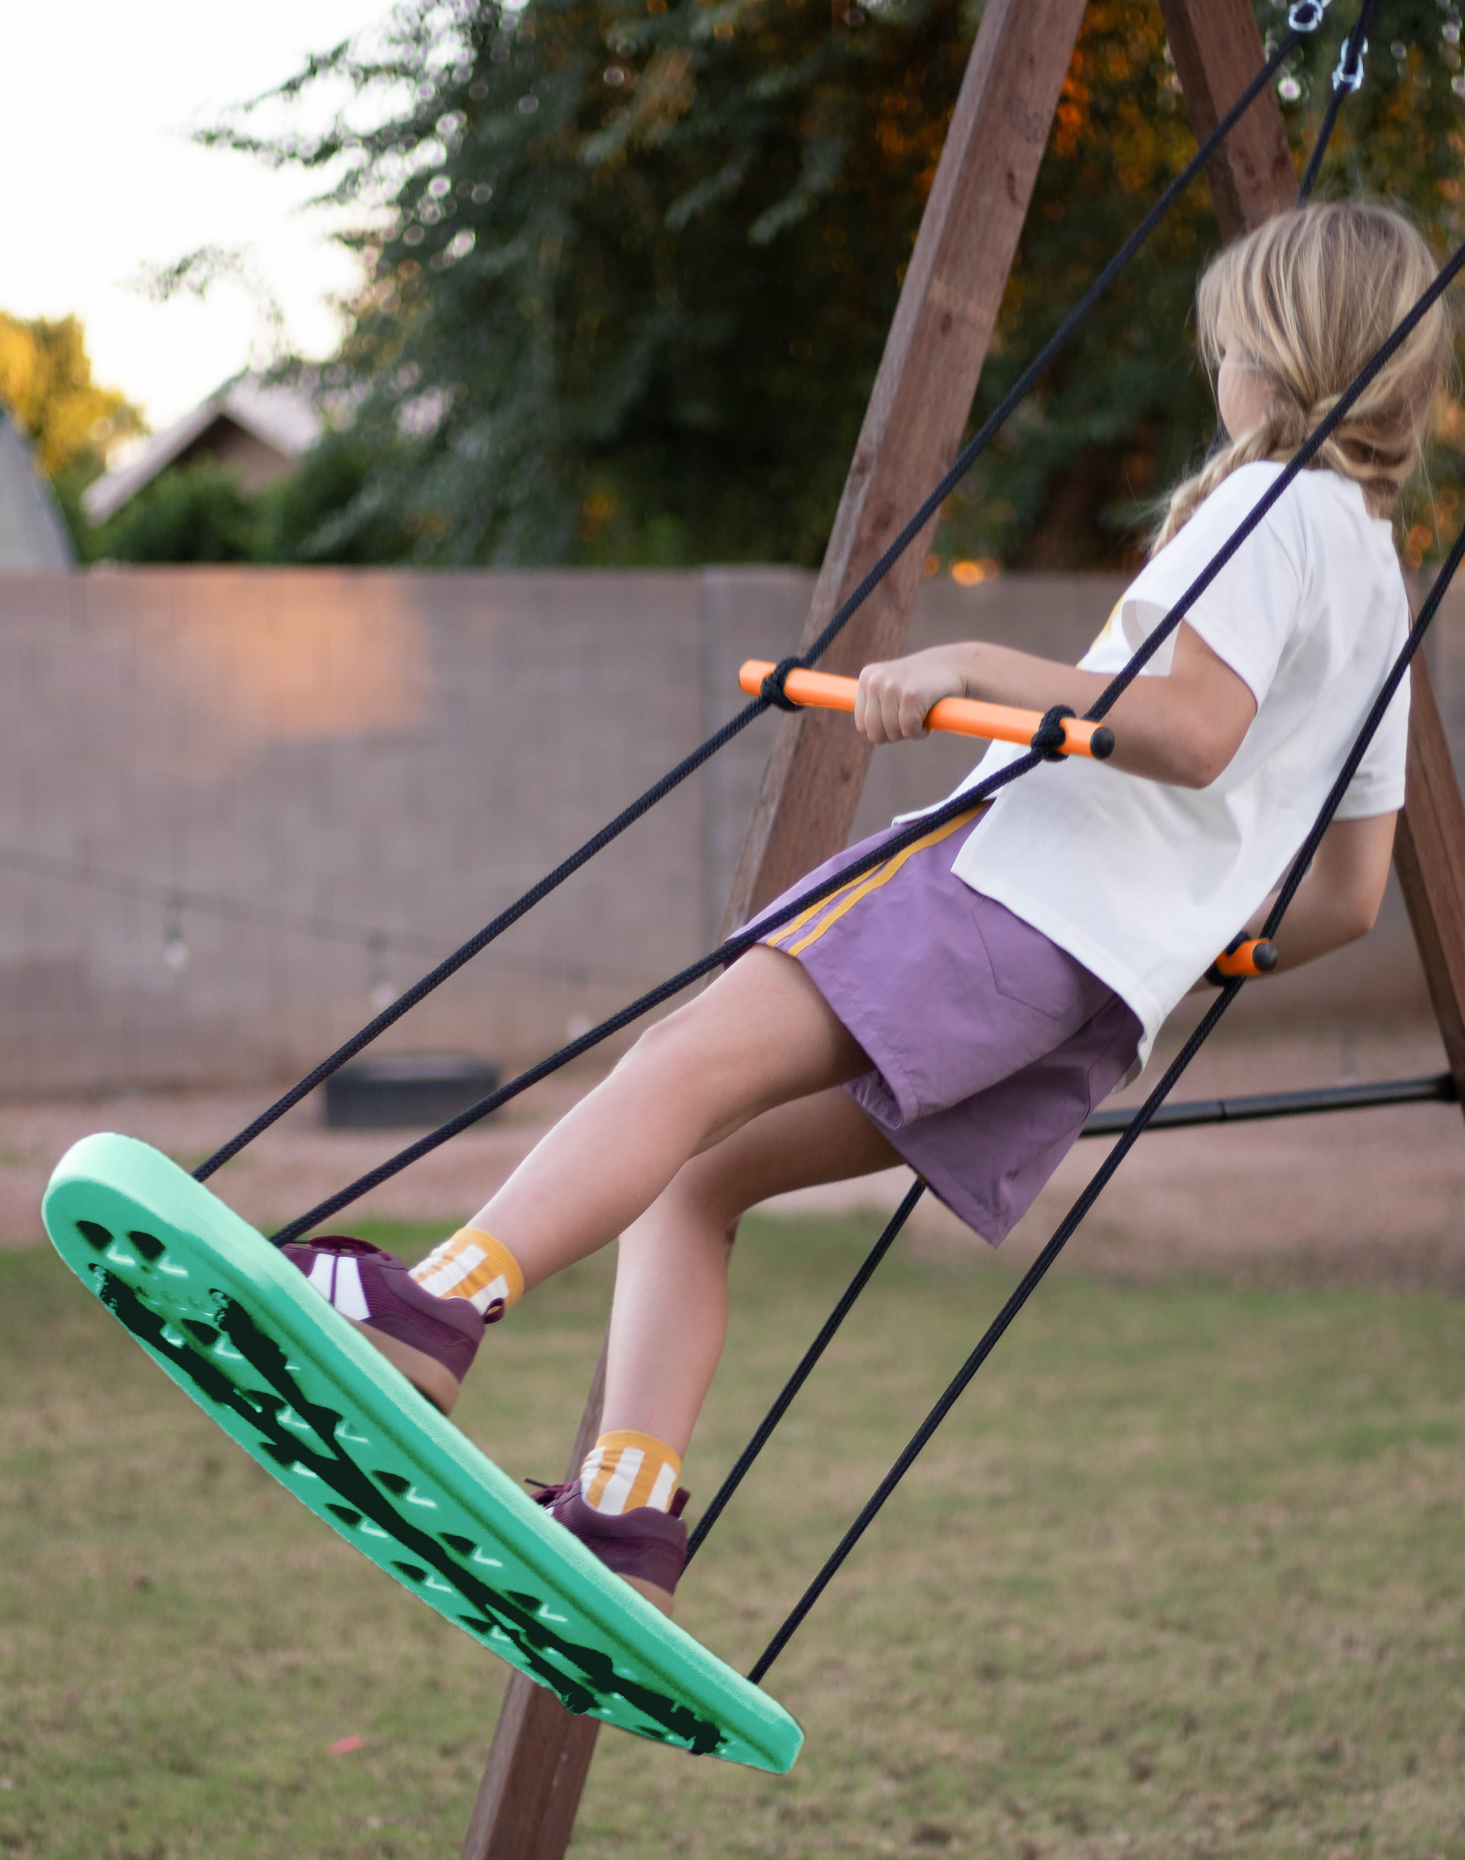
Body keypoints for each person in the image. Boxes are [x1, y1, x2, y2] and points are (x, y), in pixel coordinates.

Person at [284, 200, 1451, 1616]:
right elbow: (1346, 898)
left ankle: (439, 1305)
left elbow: (1195, 730)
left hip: (1003, 899)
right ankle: (629, 1506)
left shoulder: (1277, 508)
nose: (1218, 372)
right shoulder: (1381, 585)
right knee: (701, 1177)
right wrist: (1174, 944)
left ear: (1274, 354)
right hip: (1081, 1004)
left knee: (675, 1068)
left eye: (1224, 346)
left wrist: (976, 660)